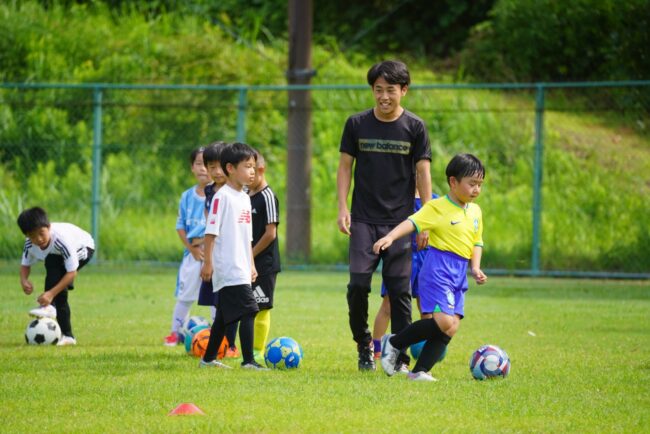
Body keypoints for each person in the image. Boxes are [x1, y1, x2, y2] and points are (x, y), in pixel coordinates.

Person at [337, 60, 433, 371]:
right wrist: (342, 207)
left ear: (404, 90)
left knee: (400, 292)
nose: (383, 97)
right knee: (357, 285)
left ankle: (400, 357)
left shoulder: (415, 127)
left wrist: (425, 220)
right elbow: (344, 168)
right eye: (378, 90)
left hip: (401, 223)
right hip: (363, 219)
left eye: (390, 90)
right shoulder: (356, 124)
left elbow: (423, 173)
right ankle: (364, 343)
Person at [375, 153, 487, 382]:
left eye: (480, 184)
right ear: (453, 182)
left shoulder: (475, 211)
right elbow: (412, 222)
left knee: (452, 326)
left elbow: (477, 241)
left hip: (459, 272)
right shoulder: (437, 207)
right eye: (472, 183)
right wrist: (390, 237)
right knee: (444, 321)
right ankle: (394, 342)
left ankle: (419, 371)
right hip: (438, 269)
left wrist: (475, 268)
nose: (476, 189)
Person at [199, 142, 266, 370]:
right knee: (250, 309)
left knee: (223, 316)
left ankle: (208, 360)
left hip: (242, 267)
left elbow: (247, 238)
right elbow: (210, 233)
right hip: (228, 267)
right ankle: (248, 361)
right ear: (230, 168)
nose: (252, 171)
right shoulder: (222, 197)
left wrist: (251, 264)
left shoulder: (245, 198)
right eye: (247, 166)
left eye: (253, 167)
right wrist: (208, 263)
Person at [371, 191, 439, 359]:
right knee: (389, 305)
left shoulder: (434, 201)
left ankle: (425, 349)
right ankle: (376, 349)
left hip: (425, 258)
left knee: (426, 307)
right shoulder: (397, 198)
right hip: (400, 256)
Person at [17, 206, 95, 346]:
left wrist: (51, 293)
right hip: (57, 257)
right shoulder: (29, 244)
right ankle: (68, 336)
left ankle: (50, 307)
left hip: (83, 247)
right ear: (27, 236)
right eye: (32, 236)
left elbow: (72, 272)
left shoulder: (60, 240)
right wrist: (24, 280)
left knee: (53, 264)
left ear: (49, 227)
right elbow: (25, 265)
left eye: (41, 233)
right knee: (54, 269)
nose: (38, 239)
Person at [196, 141, 241, 358]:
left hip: (232, 254)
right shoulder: (209, 190)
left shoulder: (236, 191)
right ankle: (219, 345)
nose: (216, 171)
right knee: (218, 301)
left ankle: (230, 345)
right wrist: (208, 257)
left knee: (232, 302)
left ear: (229, 166)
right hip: (215, 253)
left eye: (219, 166)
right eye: (210, 166)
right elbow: (210, 224)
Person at [164, 147, 210, 346]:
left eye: (207, 164)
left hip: (213, 254)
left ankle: (219, 335)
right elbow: (180, 226)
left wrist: (204, 244)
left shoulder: (219, 195)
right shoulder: (187, 197)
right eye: (198, 164)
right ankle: (175, 333)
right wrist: (192, 249)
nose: (203, 169)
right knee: (185, 296)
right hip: (192, 256)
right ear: (192, 167)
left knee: (215, 296)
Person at [248, 151, 281, 362]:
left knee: (261, 307)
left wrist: (250, 255)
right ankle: (241, 347)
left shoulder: (268, 197)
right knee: (245, 307)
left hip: (264, 263)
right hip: (245, 261)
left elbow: (271, 234)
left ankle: (258, 351)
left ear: (261, 169)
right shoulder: (244, 193)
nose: (248, 175)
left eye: (251, 169)